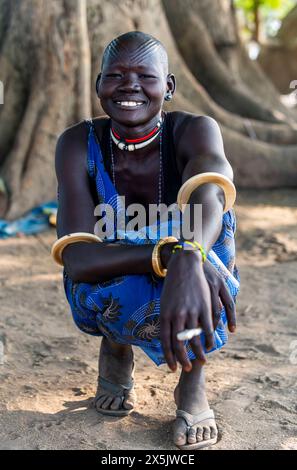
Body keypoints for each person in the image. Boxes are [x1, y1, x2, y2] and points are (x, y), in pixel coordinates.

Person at [53, 31, 239, 450]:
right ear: (99, 85)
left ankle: (193, 379)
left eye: (145, 75)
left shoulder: (194, 130)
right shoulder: (77, 144)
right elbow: (79, 259)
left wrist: (190, 255)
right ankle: (116, 344)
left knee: (212, 242)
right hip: (116, 269)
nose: (130, 85)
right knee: (166, 264)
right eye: (116, 75)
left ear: (168, 87)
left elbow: (212, 191)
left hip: (188, 260)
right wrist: (170, 254)